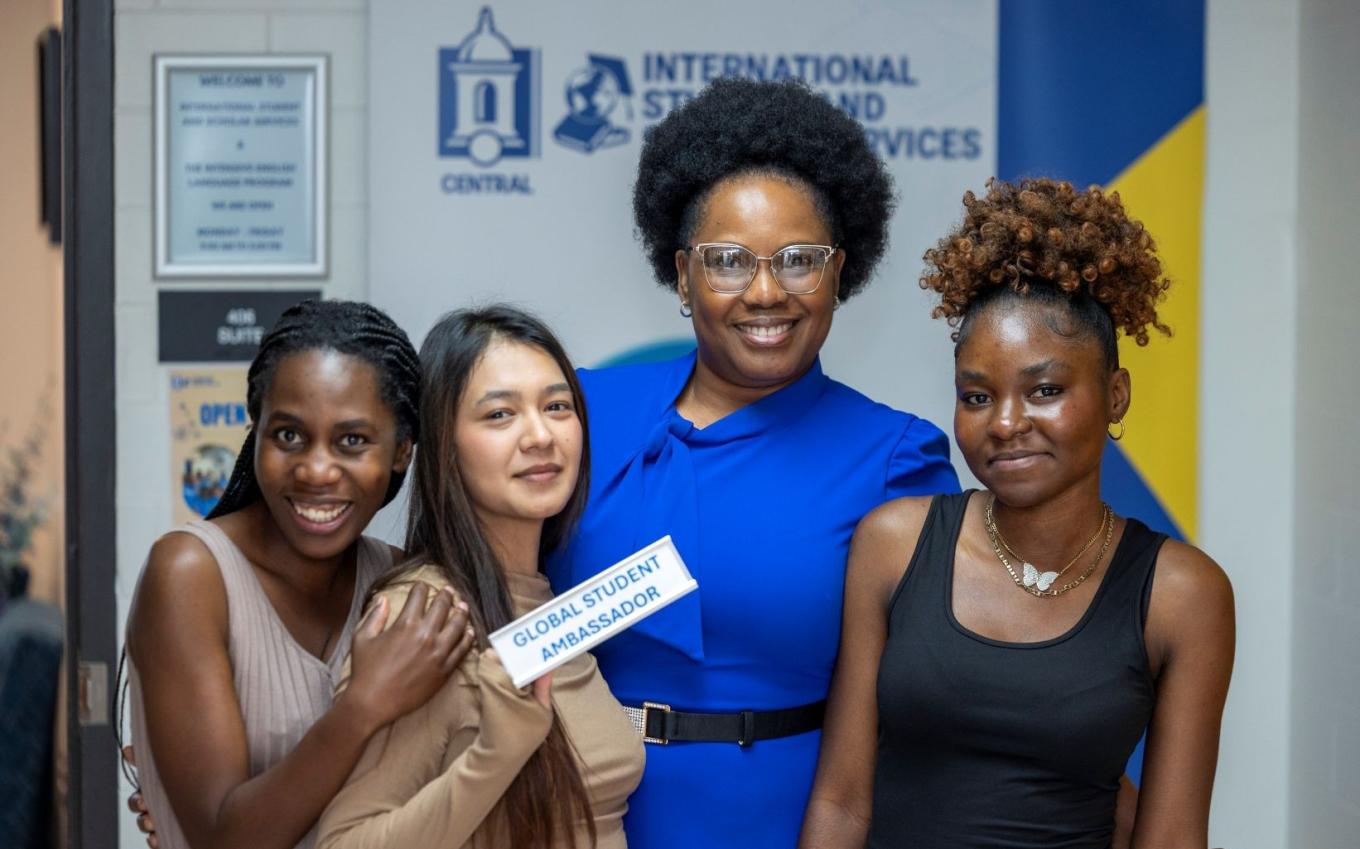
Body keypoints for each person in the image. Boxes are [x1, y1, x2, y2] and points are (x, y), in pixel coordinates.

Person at [544, 77, 960, 848]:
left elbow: (932, 706)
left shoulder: (894, 457)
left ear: (840, 271)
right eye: (728, 261)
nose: (765, 292)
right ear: (682, 274)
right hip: (573, 814)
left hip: (783, 820)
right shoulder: (582, 413)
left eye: (798, 259)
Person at [799, 178, 1235, 848]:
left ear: (1116, 394)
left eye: (1045, 390)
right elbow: (841, 803)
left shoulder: (1182, 594)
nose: (1005, 423)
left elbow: (1172, 837)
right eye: (977, 396)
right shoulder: (894, 544)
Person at [124, 300, 474, 849]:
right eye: (288, 435)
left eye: (352, 440)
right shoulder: (191, 575)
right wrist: (364, 705)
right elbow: (225, 840)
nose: (315, 470)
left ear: (402, 452)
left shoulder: (404, 583)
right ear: (256, 434)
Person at [316, 306, 644, 849]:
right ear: (444, 444)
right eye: (499, 414)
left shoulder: (548, 598)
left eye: (557, 406)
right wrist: (495, 756)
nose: (540, 435)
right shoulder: (426, 615)